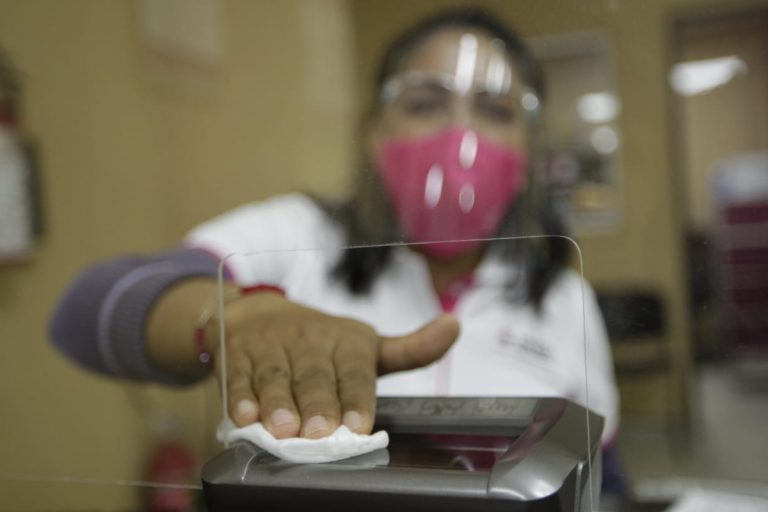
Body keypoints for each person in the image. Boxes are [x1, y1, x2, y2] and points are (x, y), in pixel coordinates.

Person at [50, 7, 623, 494]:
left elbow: (603, 475)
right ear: (373, 131)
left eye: (496, 110)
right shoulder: (301, 237)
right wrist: (233, 317)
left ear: (529, 150)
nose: (460, 136)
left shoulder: (567, 300)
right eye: (426, 102)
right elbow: (84, 308)